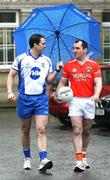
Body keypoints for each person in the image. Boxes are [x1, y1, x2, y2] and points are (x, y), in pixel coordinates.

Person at [7, 34, 63, 172]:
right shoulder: (21, 58)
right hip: (25, 98)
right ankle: (27, 158)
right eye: (43, 43)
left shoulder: (47, 60)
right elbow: (10, 76)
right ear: (35, 45)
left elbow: (49, 80)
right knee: (25, 129)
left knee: (41, 129)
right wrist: (9, 91)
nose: (45, 45)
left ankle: (43, 159)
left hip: (41, 99)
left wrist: (57, 70)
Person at [55, 40, 102, 172]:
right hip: (74, 100)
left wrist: (97, 94)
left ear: (85, 49)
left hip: (89, 101)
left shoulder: (93, 65)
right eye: (74, 48)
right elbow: (62, 82)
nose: (74, 50)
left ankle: (84, 155)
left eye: (77, 48)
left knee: (86, 130)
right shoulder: (69, 65)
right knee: (77, 129)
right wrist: (58, 94)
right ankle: (79, 160)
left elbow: (98, 82)